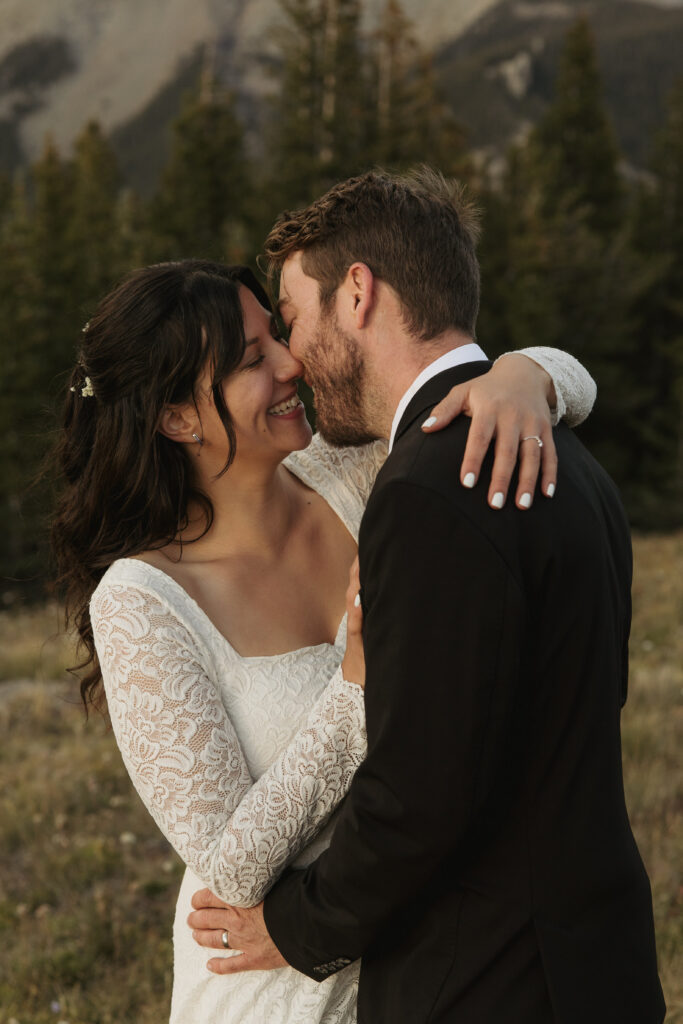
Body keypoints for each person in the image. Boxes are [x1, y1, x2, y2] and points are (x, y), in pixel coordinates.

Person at [52, 257, 596, 1024]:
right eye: (252, 360)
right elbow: (230, 866)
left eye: (276, 333)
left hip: (423, 960)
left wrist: (523, 375)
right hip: (271, 981)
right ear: (177, 419)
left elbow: (562, 383)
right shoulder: (144, 603)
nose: (289, 363)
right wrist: (355, 687)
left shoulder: (357, 472)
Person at [187, 170, 666, 1024]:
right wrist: (535, 373)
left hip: (485, 982)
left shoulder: (424, 489)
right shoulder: (568, 459)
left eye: (291, 318)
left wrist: (296, 925)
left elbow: (420, 796)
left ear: (359, 293)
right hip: (599, 958)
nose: (292, 357)